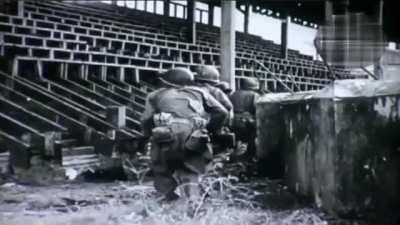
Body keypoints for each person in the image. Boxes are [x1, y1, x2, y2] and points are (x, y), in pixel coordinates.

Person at [141, 68, 228, 201]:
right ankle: (193, 205)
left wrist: (148, 136)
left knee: (162, 171)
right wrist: (211, 129)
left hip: (165, 134)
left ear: (168, 82)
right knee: (191, 171)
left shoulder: (155, 95)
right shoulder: (201, 93)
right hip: (193, 134)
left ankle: (165, 205)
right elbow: (223, 112)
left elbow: (146, 119)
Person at [229, 77, 260, 160]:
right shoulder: (254, 95)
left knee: (236, 140)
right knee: (251, 141)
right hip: (248, 122)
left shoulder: (233, 94)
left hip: (234, 121)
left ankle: (235, 157)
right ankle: (248, 158)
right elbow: (257, 109)